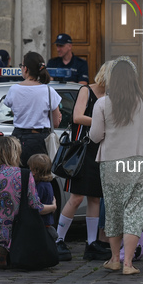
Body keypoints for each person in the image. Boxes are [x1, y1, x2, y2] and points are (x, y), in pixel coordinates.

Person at [90, 57, 143, 275]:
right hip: (140, 160)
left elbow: (94, 136)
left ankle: (114, 258)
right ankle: (128, 262)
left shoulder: (102, 103)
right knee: (135, 211)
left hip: (112, 161)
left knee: (113, 210)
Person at [55, 62, 111, 262]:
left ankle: (91, 243)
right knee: (77, 197)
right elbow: (78, 117)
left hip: (100, 151)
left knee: (95, 198)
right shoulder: (86, 90)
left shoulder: (111, 97)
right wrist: (101, 120)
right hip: (82, 149)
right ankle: (59, 239)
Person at [0, 137, 56, 269]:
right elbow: (35, 206)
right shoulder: (23, 174)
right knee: (50, 234)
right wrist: (53, 206)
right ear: (14, 153)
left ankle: (1, 250)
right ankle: (14, 252)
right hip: (20, 232)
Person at [3, 51, 61, 166]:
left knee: (19, 175)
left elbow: (15, 113)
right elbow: (56, 123)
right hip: (40, 139)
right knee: (39, 175)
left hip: (17, 138)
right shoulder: (49, 91)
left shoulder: (14, 90)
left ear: (25, 69)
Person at [27, 154, 58, 240]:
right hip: (46, 222)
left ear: (35, 171)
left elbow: (36, 206)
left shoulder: (40, 186)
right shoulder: (48, 184)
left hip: (41, 223)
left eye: (30, 168)